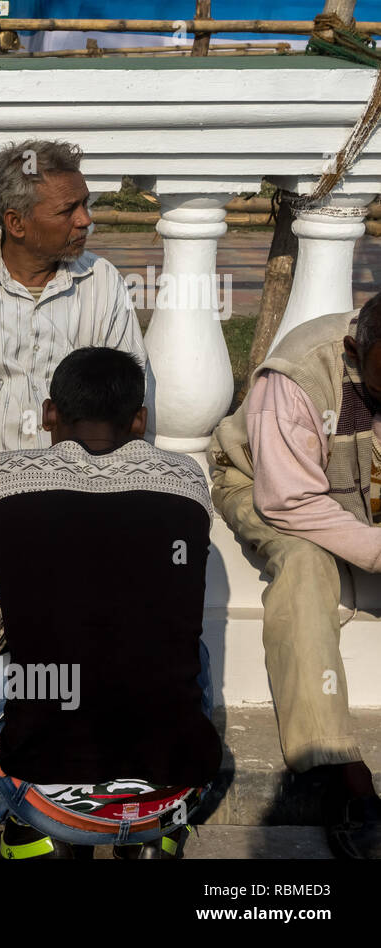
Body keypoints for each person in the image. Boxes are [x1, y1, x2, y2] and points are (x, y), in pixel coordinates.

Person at [0, 139, 148, 792]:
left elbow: (131, 387)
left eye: (85, 206)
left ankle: (81, 729)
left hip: (80, 476)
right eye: (69, 210)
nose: (85, 221)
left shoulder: (102, 285)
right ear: (15, 221)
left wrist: (78, 478)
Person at [0, 347, 219, 859]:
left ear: (48, 414)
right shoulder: (187, 481)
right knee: (197, 653)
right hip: (176, 792)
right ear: (140, 420)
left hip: (49, 793)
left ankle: (25, 821)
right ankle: (157, 835)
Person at [211, 300, 381, 859]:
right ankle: (340, 770)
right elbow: (289, 501)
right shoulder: (301, 372)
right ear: (358, 350)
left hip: (363, 497)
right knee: (306, 564)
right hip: (268, 487)